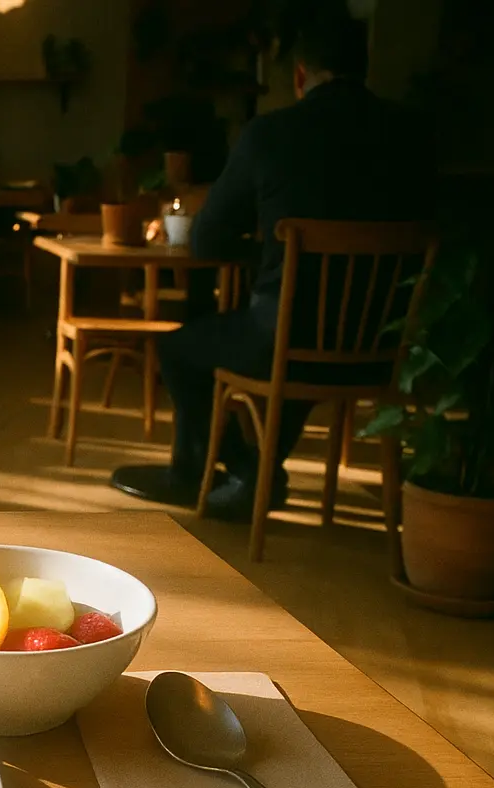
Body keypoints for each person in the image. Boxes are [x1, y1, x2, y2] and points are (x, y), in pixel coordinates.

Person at [110, 12, 434, 519]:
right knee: (300, 351)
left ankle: (219, 469)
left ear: (301, 74)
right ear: (364, 67)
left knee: (177, 349)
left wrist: (269, 251)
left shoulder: (272, 133)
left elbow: (207, 239)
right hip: (381, 347)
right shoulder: (413, 135)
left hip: (281, 337)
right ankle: (255, 475)